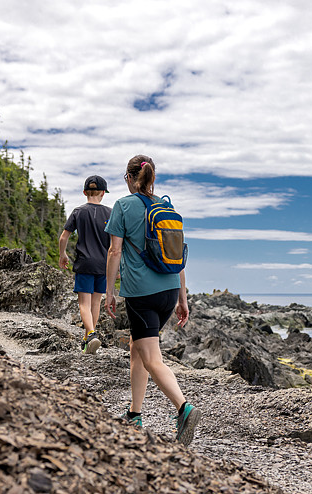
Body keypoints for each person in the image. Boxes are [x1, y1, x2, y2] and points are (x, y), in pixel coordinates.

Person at [104, 155, 199, 446]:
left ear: (129, 178)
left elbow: (114, 251)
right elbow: (178, 258)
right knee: (137, 348)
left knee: (152, 359)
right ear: (152, 178)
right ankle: (134, 414)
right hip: (169, 291)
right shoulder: (167, 208)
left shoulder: (123, 206)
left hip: (141, 294)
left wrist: (109, 291)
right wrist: (182, 298)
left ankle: (184, 408)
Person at [58, 175, 112, 354]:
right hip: (103, 265)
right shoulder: (110, 213)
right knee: (96, 303)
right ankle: (88, 338)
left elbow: (64, 237)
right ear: (103, 193)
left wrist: (63, 254)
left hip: (85, 263)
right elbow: (116, 243)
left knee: (84, 303)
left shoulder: (78, 211)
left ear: (84, 192)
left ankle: (90, 334)